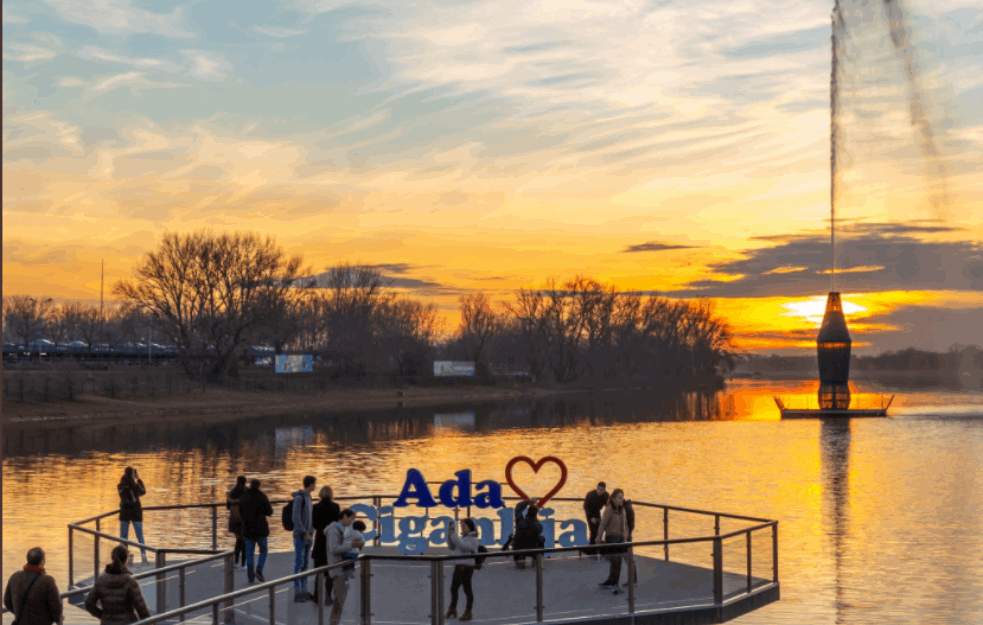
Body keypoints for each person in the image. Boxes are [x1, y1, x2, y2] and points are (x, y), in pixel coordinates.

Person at [84, 545, 151, 625]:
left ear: (112, 558)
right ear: (126, 560)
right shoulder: (130, 581)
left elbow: (88, 603)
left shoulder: (101, 580)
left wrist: (103, 616)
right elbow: (142, 610)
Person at [3, 547, 63, 625]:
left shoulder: (15, 577)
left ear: (27, 559)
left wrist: (20, 613)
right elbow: (56, 609)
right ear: (42, 561)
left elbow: (7, 602)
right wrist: (55, 619)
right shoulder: (48, 581)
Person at [327, 509, 365, 625]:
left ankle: (334, 623)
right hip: (338, 569)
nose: (352, 521)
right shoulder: (334, 531)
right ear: (344, 516)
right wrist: (352, 545)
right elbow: (334, 549)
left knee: (340, 601)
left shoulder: (344, 531)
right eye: (351, 519)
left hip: (342, 569)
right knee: (339, 601)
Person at [597, 488, 636, 590]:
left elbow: (624, 525)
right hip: (611, 538)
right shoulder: (609, 510)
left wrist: (625, 538)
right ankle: (612, 582)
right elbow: (603, 524)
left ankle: (613, 582)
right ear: (613, 499)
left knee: (618, 563)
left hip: (620, 539)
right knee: (615, 562)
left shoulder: (621, 510)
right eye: (619, 498)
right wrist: (599, 537)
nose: (621, 500)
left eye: (622, 498)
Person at [239, 478, 273, 584]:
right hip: (261, 530)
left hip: (248, 530)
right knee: (263, 550)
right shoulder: (262, 496)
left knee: (249, 553)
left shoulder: (244, 497)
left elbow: (240, 512)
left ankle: (250, 576)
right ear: (259, 486)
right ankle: (259, 570)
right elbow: (270, 512)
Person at [445, 518, 479, 622]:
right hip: (458, 566)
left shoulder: (474, 539)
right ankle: (452, 608)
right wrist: (450, 536)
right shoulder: (462, 538)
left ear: (470, 527)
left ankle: (468, 611)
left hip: (467, 567)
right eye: (461, 526)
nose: (462, 528)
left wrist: (454, 536)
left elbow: (463, 547)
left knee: (467, 589)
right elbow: (452, 547)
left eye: (464, 526)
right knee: (453, 588)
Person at [311, 486, 341, 604]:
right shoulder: (336, 507)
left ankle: (316, 596)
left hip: (319, 540)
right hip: (331, 540)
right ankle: (328, 596)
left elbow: (314, 524)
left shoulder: (315, 507)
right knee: (330, 571)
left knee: (319, 570)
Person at [291, 475, 317, 602]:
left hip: (308, 536)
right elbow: (296, 518)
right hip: (301, 537)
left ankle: (305, 589)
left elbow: (308, 516)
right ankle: (297, 592)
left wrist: (311, 529)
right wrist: (304, 532)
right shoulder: (299, 498)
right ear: (310, 484)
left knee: (306, 563)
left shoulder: (309, 497)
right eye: (314, 484)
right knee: (299, 563)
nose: (315, 486)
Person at [117, 467, 148, 562]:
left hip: (124, 513)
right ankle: (144, 557)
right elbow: (143, 491)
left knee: (123, 538)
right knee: (140, 537)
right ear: (132, 475)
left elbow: (122, 493)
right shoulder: (136, 486)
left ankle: (123, 560)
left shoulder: (120, 486)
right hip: (136, 513)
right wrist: (138, 479)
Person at [512, 498, 544, 570]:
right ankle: (536, 560)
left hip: (519, 548)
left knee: (518, 540)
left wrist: (528, 501)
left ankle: (520, 560)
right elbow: (539, 532)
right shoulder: (537, 526)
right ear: (535, 515)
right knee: (541, 539)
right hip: (532, 548)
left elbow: (518, 508)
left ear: (527, 513)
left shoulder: (519, 522)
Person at [226, 476, 247, 571]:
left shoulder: (231, 492)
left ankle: (235, 562)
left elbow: (228, 507)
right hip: (243, 520)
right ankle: (243, 564)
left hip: (233, 520)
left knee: (238, 540)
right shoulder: (246, 492)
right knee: (243, 541)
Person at [583, 482, 609, 557]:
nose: (600, 491)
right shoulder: (590, 494)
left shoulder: (606, 495)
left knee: (600, 530)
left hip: (597, 512)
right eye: (599, 489)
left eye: (602, 490)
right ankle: (591, 551)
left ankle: (598, 548)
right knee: (593, 531)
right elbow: (585, 507)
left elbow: (607, 506)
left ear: (604, 490)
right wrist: (591, 518)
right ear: (596, 488)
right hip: (589, 513)